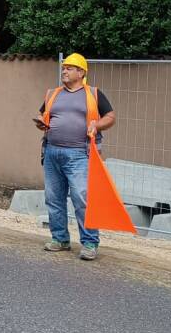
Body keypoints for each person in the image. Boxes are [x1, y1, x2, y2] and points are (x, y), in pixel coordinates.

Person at [33, 53, 116, 261]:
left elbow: (111, 116)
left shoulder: (94, 94)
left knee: (82, 198)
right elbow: (43, 115)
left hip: (80, 154)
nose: (64, 71)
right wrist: (40, 123)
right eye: (63, 68)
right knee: (53, 198)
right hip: (52, 152)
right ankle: (60, 239)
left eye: (69, 68)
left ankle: (89, 242)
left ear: (81, 72)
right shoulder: (53, 94)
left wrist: (97, 125)